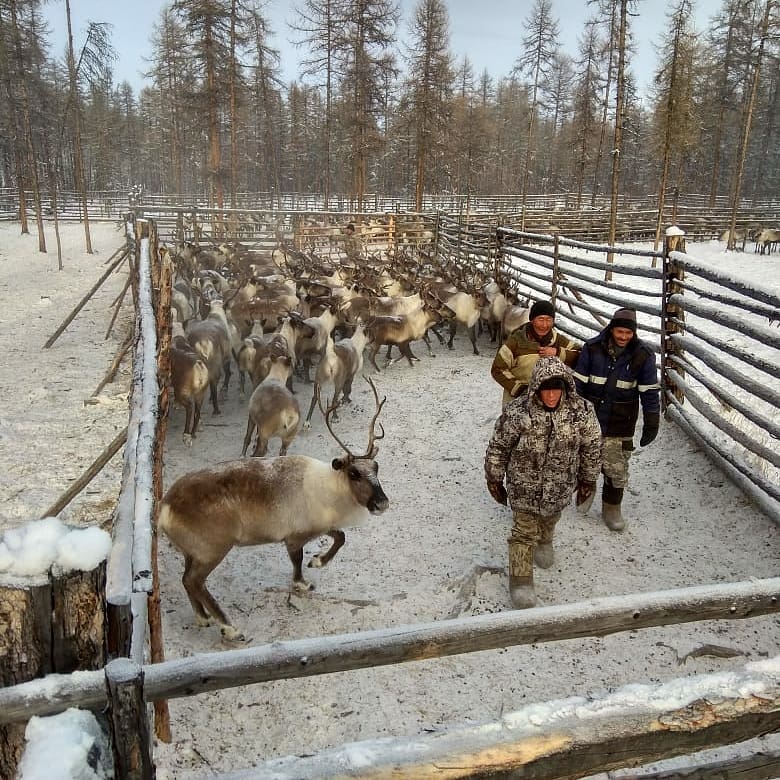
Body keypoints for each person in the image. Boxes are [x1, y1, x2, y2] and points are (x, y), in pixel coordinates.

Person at [485, 356, 602, 609]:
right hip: (523, 485)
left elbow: (592, 447)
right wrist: (494, 477)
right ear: (537, 387)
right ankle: (521, 580)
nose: (551, 395)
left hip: (560, 485)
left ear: (565, 388)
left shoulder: (580, 412)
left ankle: (546, 539)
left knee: (550, 517)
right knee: (523, 533)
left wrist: (588, 479)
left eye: (556, 389)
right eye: (546, 389)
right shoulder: (518, 412)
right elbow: (499, 446)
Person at [572, 307, 661, 532]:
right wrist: (574, 416)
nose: (623, 337)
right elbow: (578, 386)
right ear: (612, 329)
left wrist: (652, 421)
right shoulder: (592, 349)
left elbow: (650, 392)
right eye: (619, 332)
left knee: (616, 467)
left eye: (628, 333)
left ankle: (612, 508)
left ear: (634, 333)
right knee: (585, 460)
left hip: (620, 421)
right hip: (590, 420)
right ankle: (586, 489)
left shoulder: (643, 356)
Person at [490, 299, 581, 406]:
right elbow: (498, 369)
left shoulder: (558, 340)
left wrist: (558, 352)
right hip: (519, 400)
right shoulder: (516, 342)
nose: (544, 325)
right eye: (540, 319)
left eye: (549, 320)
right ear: (532, 320)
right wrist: (519, 389)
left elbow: (580, 355)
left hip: (549, 401)